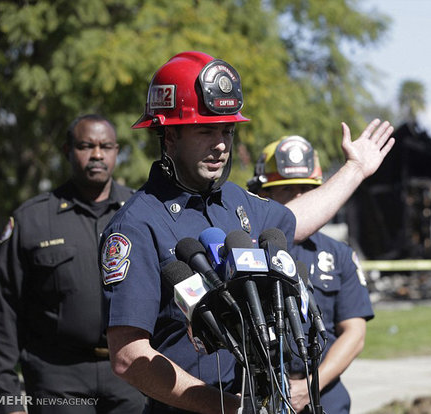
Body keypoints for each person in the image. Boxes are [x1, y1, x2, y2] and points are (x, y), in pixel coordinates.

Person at [100, 51, 394, 414]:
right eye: (205, 130)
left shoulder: (237, 201)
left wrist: (355, 170)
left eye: (227, 130)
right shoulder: (138, 223)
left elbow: (295, 219)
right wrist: (225, 406)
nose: (221, 144)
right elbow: (129, 356)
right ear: (170, 135)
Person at [0, 114, 145, 414]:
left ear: (116, 151)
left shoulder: (141, 213)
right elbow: (3, 313)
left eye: (105, 146)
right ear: (67, 151)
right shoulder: (31, 220)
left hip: (131, 375)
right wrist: (8, 401)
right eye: (86, 145)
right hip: (57, 378)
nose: (96, 154)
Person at [247, 135, 374, 413]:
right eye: (289, 189)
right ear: (263, 195)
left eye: (308, 188)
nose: (302, 197)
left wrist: (308, 388)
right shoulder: (246, 253)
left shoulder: (339, 254)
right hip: (256, 399)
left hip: (324, 397)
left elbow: (355, 334)